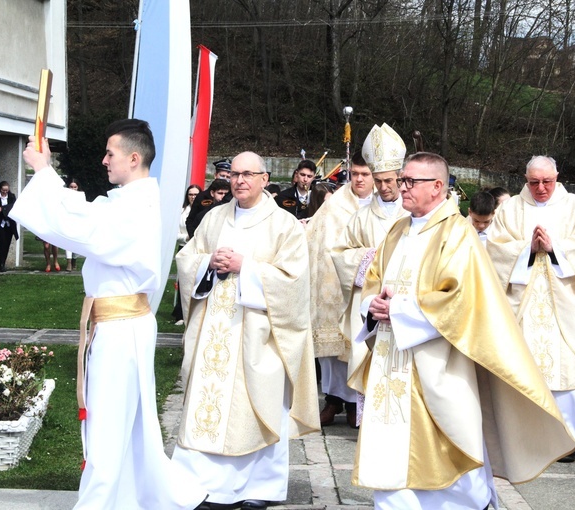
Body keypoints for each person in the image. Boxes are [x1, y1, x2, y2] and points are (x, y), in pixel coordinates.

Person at [350, 152, 575, 509]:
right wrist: (372, 307)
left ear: (438, 187)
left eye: (410, 182)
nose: (401, 188)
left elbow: (460, 298)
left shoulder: (457, 233)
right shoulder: (396, 230)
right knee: (390, 454)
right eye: (402, 180)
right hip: (391, 361)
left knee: (451, 445)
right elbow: (372, 282)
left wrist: (399, 310)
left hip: (438, 361)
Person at [10, 119, 207, 509]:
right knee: (126, 423)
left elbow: (81, 225)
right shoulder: (129, 200)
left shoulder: (136, 204)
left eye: (110, 153)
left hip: (121, 327)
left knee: (107, 425)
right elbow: (85, 215)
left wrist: (44, 171)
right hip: (120, 325)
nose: (103, 160)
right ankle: (132, 497)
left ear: (134, 159)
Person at [172, 151, 319, 510]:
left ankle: (259, 487)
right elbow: (187, 259)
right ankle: (201, 484)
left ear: (265, 179)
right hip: (215, 333)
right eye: (235, 174)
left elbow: (295, 281)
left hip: (259, 334)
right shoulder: (213, 218)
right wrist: (209, 263)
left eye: (248, 174)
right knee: (207, 406)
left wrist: (246, 268)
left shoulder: (283, 225)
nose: (239, 181)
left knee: (257, 408)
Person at [486, 155, 575, 462]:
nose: (541, 188)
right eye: (534, 182)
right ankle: (531, 439)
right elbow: (494, 250)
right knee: (527, 368)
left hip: (564, 305)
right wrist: (527, 248)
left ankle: (567, 438)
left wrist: (555, 249)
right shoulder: (510, 208)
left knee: (566, 368)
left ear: (558, 177)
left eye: (547, 182)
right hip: (524, 304)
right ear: (525, 180)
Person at [330, 123, 409, 429]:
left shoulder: (413, 213)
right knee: (371, 357)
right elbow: (340, 253)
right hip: (371, 301)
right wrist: (367, 258)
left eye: (389, 180)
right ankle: (371, 419)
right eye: (379, 180)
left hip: (403, 298)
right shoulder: (361, 217)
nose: (384, 186)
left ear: (401, 177)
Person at [306, 150, 374, 427]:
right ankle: (333, 399)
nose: (358, 180)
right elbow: (315, 239)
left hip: (368, 287)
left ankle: (356, 402)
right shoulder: (334, 205)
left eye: (365, 175)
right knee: (333, 349)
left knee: (361, 344)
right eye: (354, 174)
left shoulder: (386, 206)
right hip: (333, 285)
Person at [173, 184, 203, 326]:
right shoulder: (182, 211)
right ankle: (181, 314)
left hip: (198, 249)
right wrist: (186, 238)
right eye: (190, 194)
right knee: (182, 281)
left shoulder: (205, 210)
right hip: (184, 247)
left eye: (196, 195)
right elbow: (174, 233)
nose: (193, 197)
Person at [64, 178, 82, 272]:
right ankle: (69, 262)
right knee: (68, 242)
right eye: (71, 187)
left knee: (75, 243)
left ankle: (74, 259)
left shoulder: (80, 196)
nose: (73, 189)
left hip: (77, 221)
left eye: (75, 187)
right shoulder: (64, 196)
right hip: (67, 221)